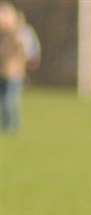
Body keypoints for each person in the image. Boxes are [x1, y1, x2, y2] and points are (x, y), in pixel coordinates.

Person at [0, 3, 39, 135]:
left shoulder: (20, 33)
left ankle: (13, 127)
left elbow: (28, 49)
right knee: (5, 100)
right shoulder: (3, 35)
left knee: (10, 100)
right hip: (3, 72)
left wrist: (31, 59)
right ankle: (8, 126)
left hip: (14, 73)